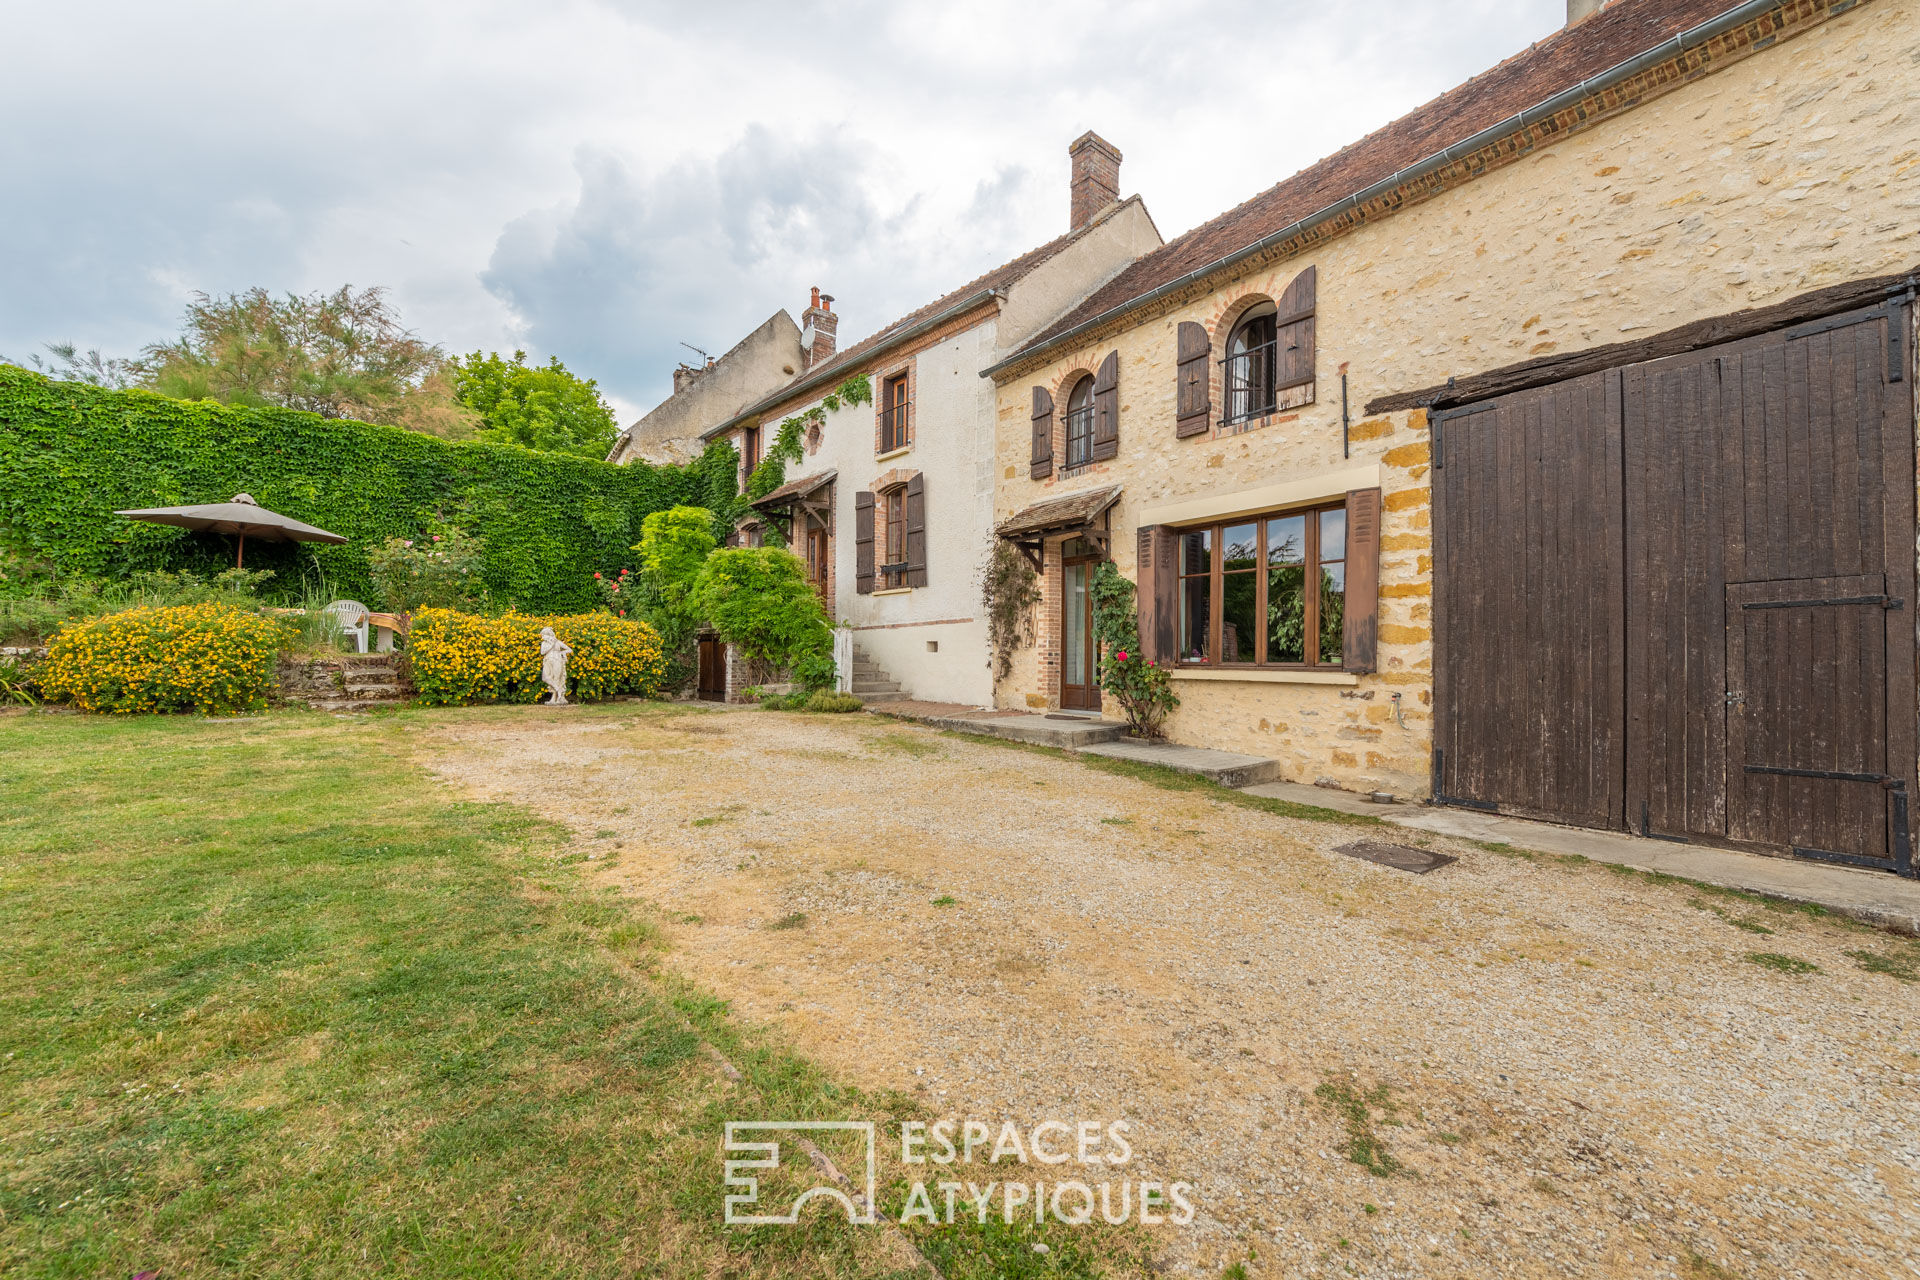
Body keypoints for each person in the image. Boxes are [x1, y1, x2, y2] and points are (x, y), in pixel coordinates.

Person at [539, 626, 573, 705]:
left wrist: (562, 653)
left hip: (557, 660)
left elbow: (569, 649)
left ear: (548, 635)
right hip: (547, 660)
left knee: (556, 678)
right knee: (545, 677)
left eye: (543, 635)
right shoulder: (544, 643)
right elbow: (542, 652)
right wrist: (551, 644)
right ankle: (559, 690)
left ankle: (555, 698)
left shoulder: (557, 642)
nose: (542, 637)